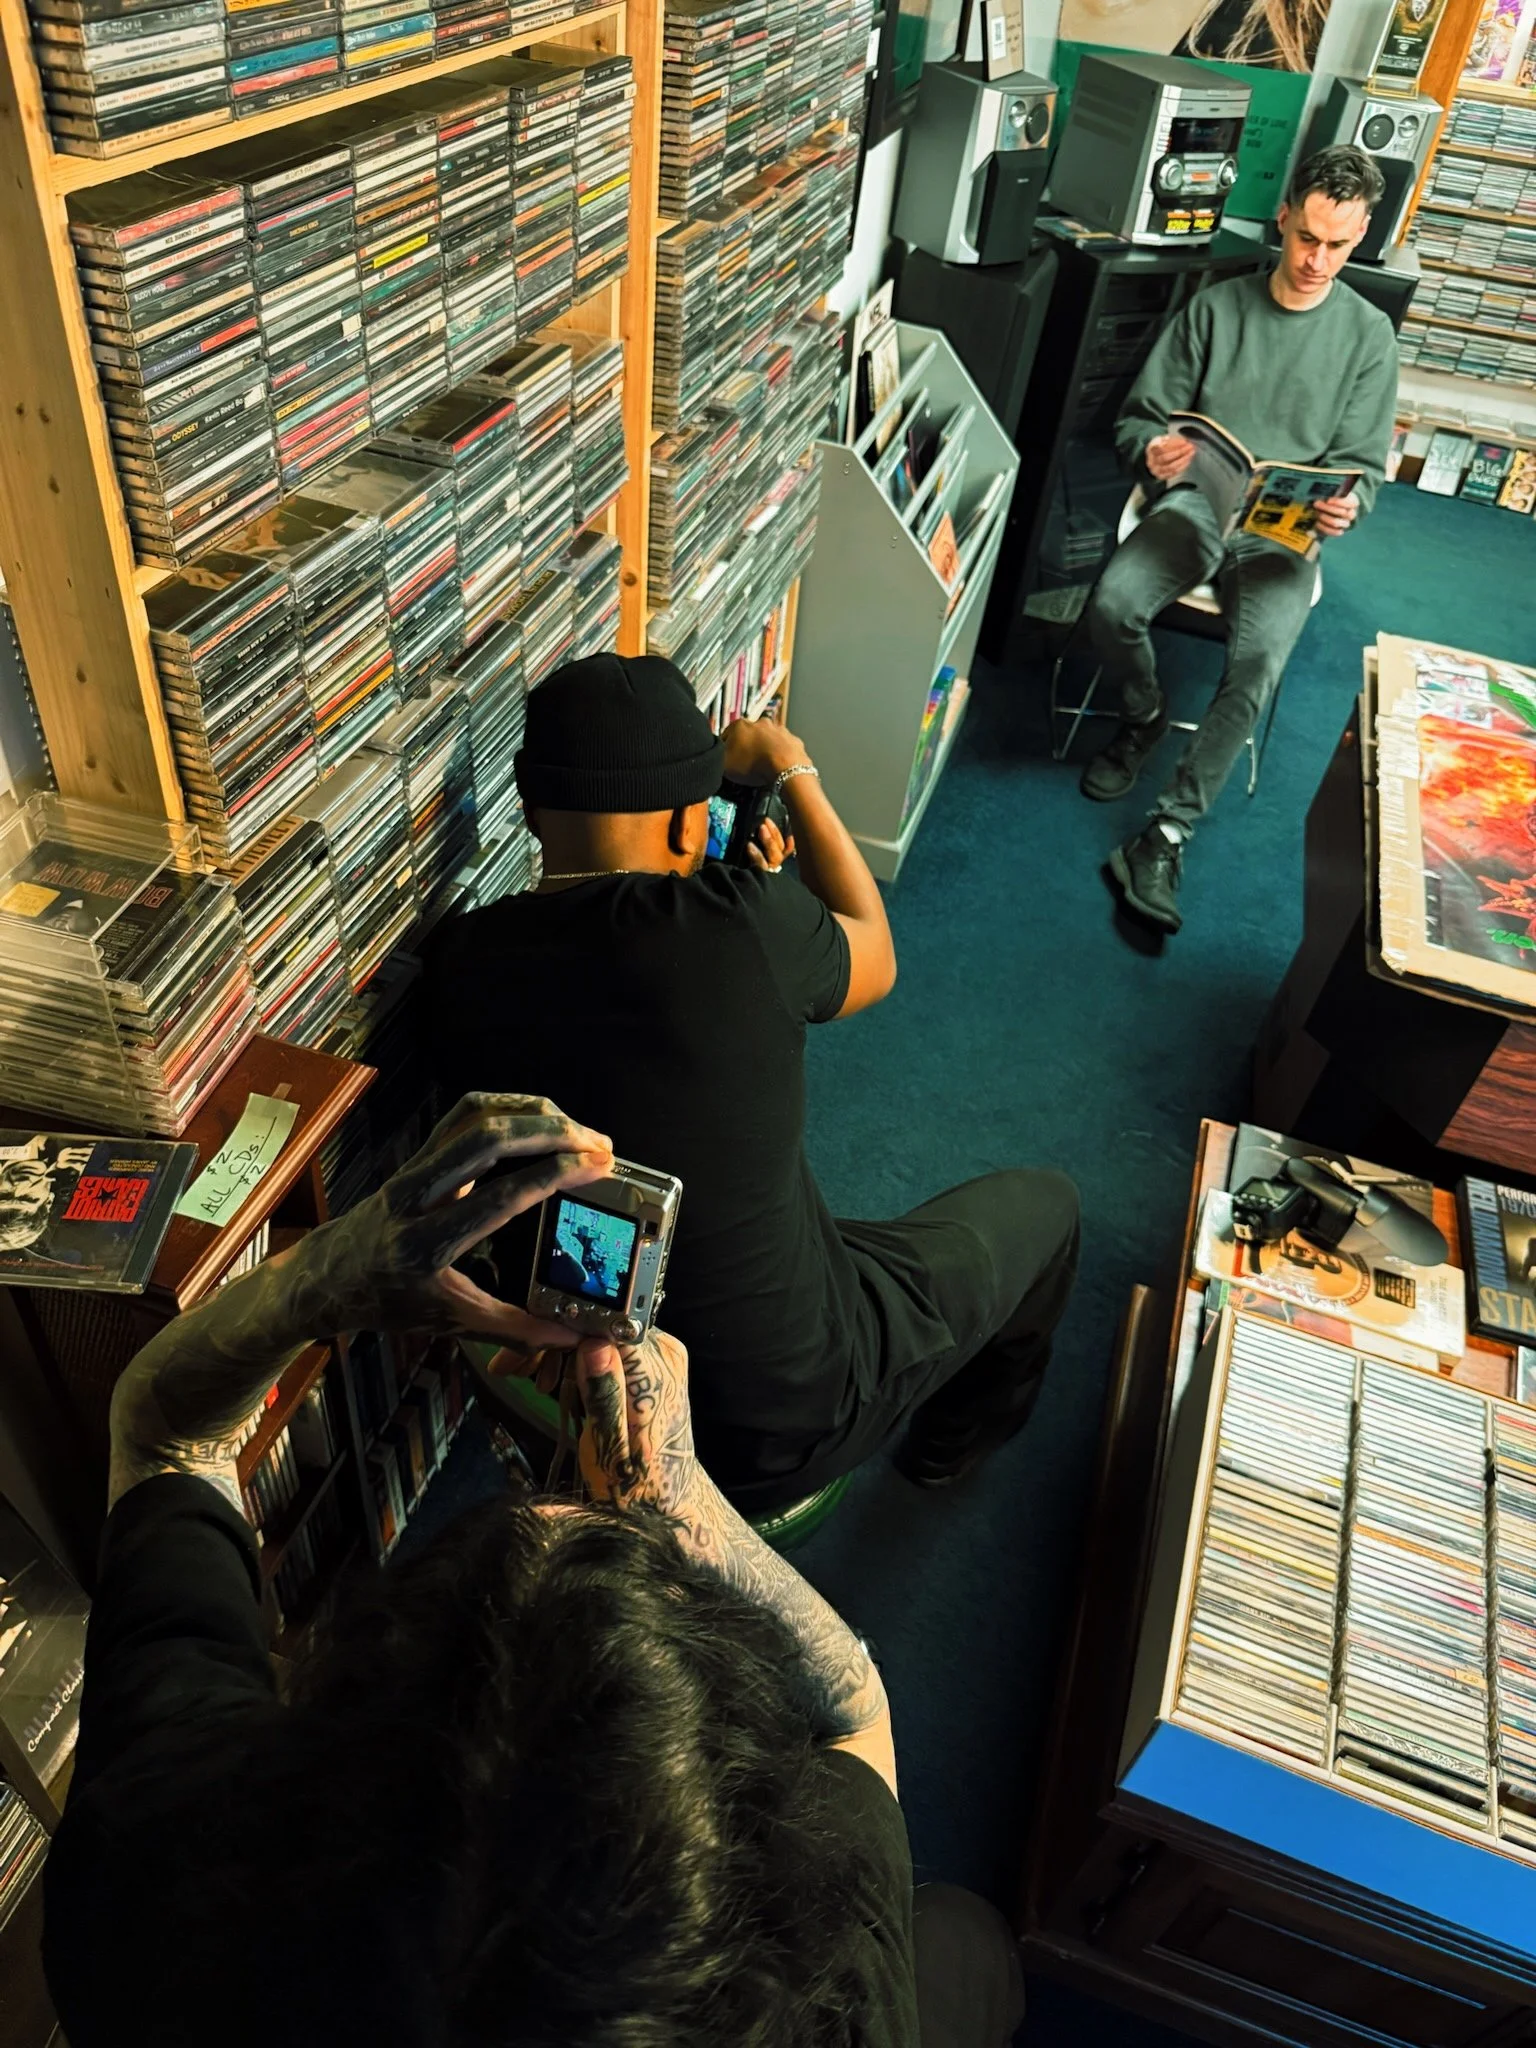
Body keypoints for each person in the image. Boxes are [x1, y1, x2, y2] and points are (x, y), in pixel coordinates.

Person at [41, 1095, 1025, 2048]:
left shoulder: (148, 1897)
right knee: (972, 1943)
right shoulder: (836, 1998)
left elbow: (166, 1436)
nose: (556, 1501)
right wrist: (698, 1518)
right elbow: (855, 1710)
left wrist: (317, 1275)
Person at [424, 653, 1079, 1509]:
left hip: (579, 1397)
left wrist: (746, 905)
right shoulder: (747, 923)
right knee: (1051, 1206)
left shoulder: (455, 960)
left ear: (532, 813)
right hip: (780, 1420)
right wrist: (792, 770)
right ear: (689, 828)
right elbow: (874, 956)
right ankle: (949, 1445)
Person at [1084, 144, 1398, 937]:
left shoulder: (1366, 338)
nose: (1318, 260)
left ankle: (1166, 834)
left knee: (1257, 661)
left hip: (1280, 534)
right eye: (1308, 239)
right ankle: (1145, 713)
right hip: (1194, 506)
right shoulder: (1217, 309)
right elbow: (1138, 418)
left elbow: (1361, 469)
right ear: (1284, 218)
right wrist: (1151, 448)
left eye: (1339, 245)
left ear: (1358, 237)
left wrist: (1346, 505)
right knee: (1114, 604)